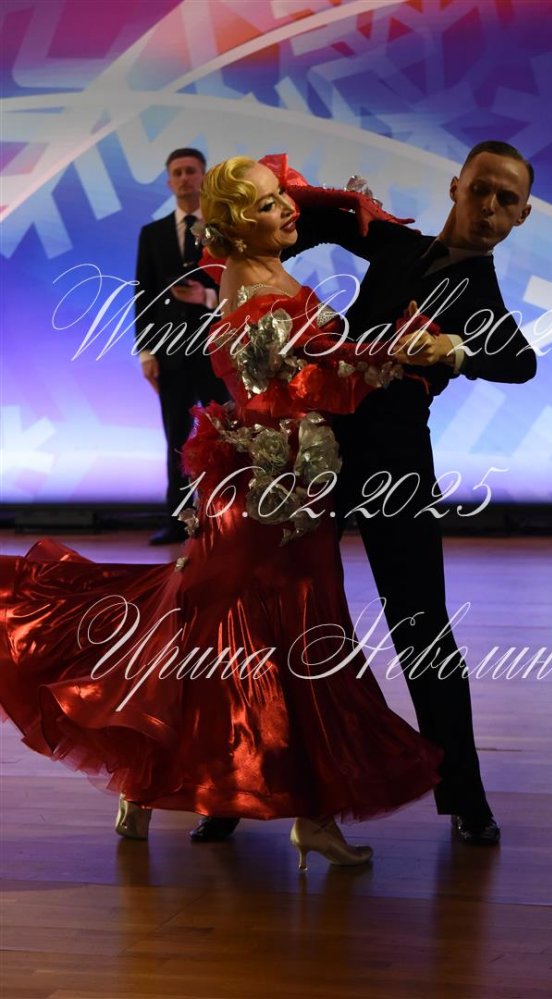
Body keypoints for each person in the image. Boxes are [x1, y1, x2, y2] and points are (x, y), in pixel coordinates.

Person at [0, 156, 444, 869]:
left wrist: (345, 207)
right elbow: (322, 371)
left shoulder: (262, 269)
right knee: (227, 635)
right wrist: (403, 349)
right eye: (269, 206)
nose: (288, 210)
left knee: (293, 636)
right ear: (239, 226)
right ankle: (159, 777)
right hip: (263, 493)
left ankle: (298, 811)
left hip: (297, 483)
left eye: (283, 200)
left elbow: (328, 368)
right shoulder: (251, 285)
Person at [194, 141, 536, 849]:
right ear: (456, 187)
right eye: (481, 190)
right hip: (313, 455)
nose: (490, 208)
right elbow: (302, 213)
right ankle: (231, 790)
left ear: (521, 217)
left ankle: (466, 798)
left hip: (395, 471)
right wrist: (267, 205)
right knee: (262, 616)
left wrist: (456, 350)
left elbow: (520, 361)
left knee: (422, 629)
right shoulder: (396, 244)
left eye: (507, 201)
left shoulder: (480, 295)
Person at [135, 147, 231, 545]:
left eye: (191, 171)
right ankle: (177, 521)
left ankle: (226, 518)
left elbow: (242, 286)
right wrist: (146, 352)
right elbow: (143, 295)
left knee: (224, 434)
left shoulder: (224, 229)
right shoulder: (153, 233)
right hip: (171, 353)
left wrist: (206, 298)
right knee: (175, 437)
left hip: (216, 351)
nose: (184, 178)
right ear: (168, 180)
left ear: (204, 177)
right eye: (177, 172)